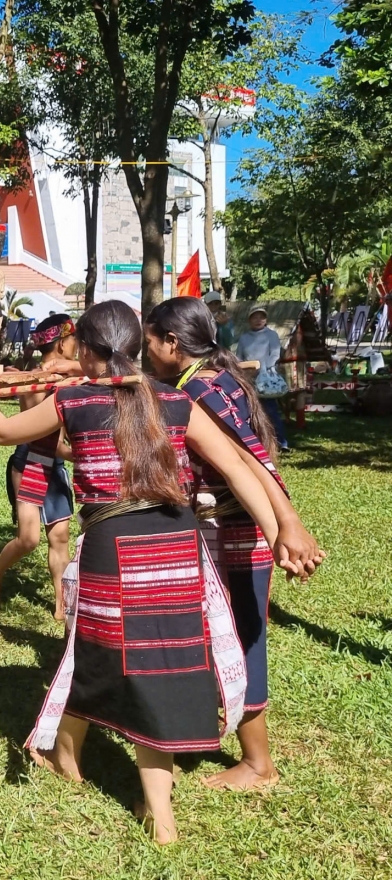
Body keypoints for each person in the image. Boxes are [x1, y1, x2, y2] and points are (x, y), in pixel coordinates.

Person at [0, 299, 320, 845]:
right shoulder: (172, 400)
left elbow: (4, 433)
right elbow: (240, 466)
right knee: (159, 666)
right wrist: (279, 527)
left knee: (100, 654)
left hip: (114, 545)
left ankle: (79, 764)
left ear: (89, 350)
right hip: (177, 544)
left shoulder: (72, 400)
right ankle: (142, 803)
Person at [144, 297, 323, 792]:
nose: (148, 350)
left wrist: (287, 525)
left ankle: (258, 764)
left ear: (172, 343)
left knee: (242, 639)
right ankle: (197, 730)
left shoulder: (202, 389)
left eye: (150, 341)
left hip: (234, 535)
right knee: (216, 634)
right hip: (222, 530)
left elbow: (250, 460)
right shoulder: (207, 378)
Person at [0, 314, 80, 619]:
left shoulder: (73, 377)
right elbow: (38, 430)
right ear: (62, 344)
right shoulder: (34, 381)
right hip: (31, 463)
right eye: (74, 341)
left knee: (60, 536)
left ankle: (61, 605)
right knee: (29, 539)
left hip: (56, 464)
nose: (77, 347)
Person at [236, 304, 289, 451]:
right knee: (249, 410)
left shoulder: (271, 335)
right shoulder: (244, 338)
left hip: (266, 379)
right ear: (249, 320)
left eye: (261, 317)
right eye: (255, 317)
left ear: (266, 320)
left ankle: (281, 441)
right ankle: (254, 442)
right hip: (249, 378)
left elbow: (275, 355)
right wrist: (245, 370)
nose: (258, 320)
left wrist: (261, 369)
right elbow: (239, 357)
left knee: (270, 410)